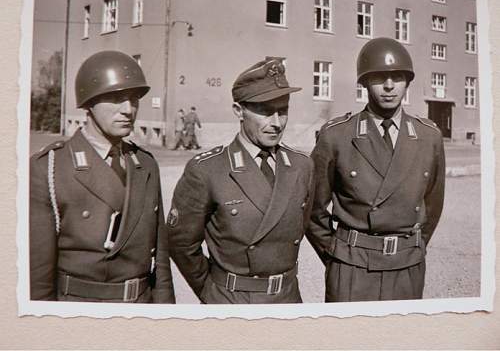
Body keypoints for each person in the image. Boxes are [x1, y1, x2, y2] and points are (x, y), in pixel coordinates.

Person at [30, 50, 176, 303]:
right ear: (89, 103)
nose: (128, 109)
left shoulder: (145, 163)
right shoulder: (51, 167)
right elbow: (39, 278)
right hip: (82, 310)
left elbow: (160, 260)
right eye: (117, 98)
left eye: (133, 99)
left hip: (142, 306)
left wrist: (166, 314)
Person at [308, 37, 446, 302]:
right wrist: (338, 253)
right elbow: (312, 208)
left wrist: (412, 247)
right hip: (352, 266)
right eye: (379, 77)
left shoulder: (429, 137)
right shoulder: (337, 135)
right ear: (364, 83)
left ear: (408, 82)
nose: (389, 86)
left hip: (406, 266)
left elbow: (433, 204)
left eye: (398, 77)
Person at [167, 59, 314, 304]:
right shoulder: (208, 169)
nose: (276, 122)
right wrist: (212, 291)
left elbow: (303, 222)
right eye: (265, 111)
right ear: (238, 110)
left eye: (283, 110)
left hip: (288, 300)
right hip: (232, 302)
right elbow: (180, 243)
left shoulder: (301, 166)